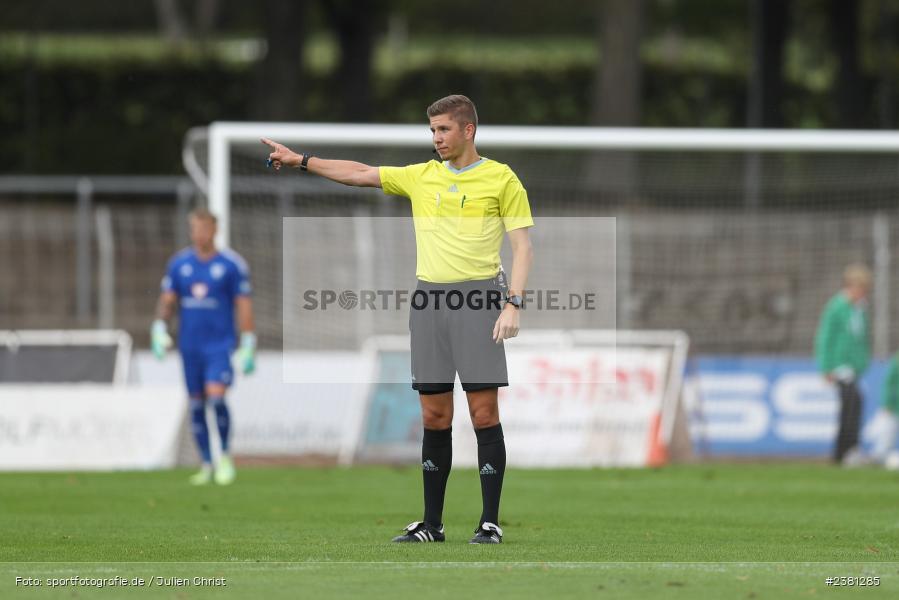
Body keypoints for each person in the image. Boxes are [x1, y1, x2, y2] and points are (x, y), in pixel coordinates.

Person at [262, 94, 534, 544]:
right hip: (428, 302)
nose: (436, 139)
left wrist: (514, 303)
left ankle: (489, 521)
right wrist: (301, 160)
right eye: (432, 131)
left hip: (479, 300)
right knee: (433, 415)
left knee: (483, 413)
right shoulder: (421, 176)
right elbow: (360, 173)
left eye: (443, 130)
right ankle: (432, 524)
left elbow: (523, 247)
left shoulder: (501, 178)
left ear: (468, 130)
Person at [152, 208, 256, 485]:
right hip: (190, 346)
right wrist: (159, 327)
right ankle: (207, 464)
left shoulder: (231, 265)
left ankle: (224, 456)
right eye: (195, 229)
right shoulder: (179, 264)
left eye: (205, 229)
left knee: (217, 398)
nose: (200, 234)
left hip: (219, 346)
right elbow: (168, 299)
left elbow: (244, 305)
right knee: (196, 405)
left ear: (215, 230)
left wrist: (248, 341)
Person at [814, 263, 871, 465]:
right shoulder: (837, 307)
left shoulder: (860, 309)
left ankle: (844, 453)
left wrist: (863, 362)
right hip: (840, 366)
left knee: (855, 404)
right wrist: (826, 367)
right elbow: (825, 338)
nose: (862, 292)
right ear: (849, 286)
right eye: (859, 288)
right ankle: (846, 450)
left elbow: (861, 339)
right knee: (851, 403)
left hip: (854, 367)